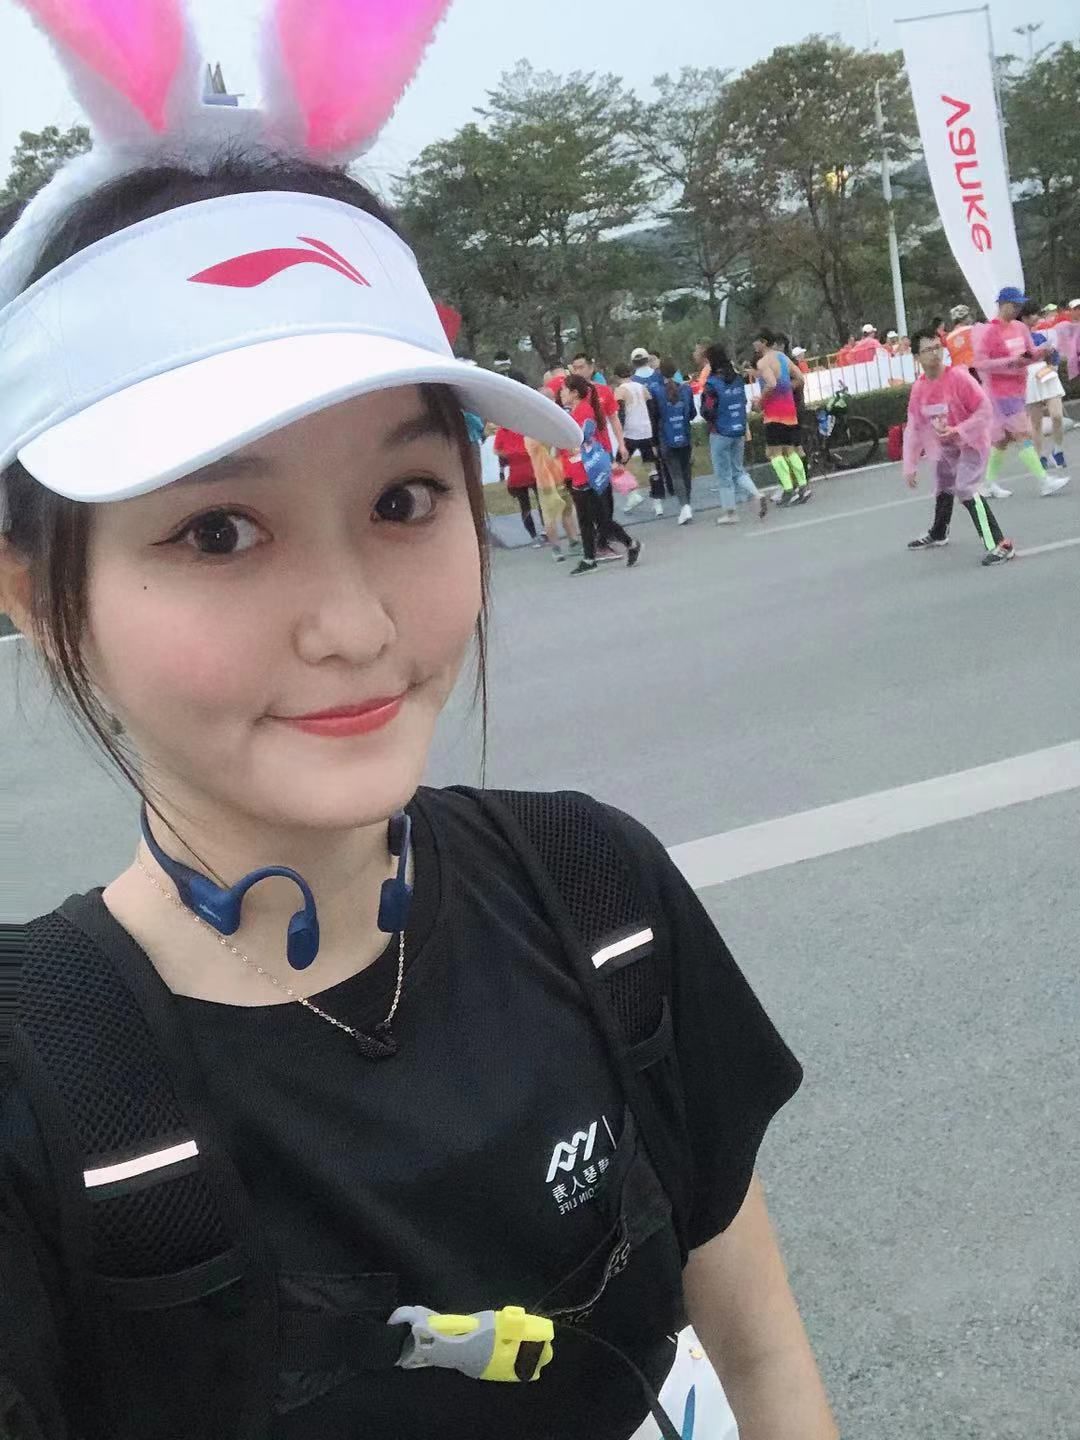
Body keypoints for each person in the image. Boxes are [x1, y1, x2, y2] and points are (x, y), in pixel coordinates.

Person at [0, 12, 842, 1440]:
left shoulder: (599, 900)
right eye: (219, 529)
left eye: (403, 499)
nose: (351, 624)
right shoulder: (36, 1096)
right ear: (36, 593)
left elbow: (761, 1361)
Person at [902, 329, 1013, 566]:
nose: (934, 354)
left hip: (972, 441)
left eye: (937, 347)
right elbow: (914, 428)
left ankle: (1000, 543)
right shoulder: (919, 389)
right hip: (945, 446)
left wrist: (959, 430)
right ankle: (939, 532)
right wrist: (909, 465)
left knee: (965, 487)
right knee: (943, 483)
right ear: (917, 357)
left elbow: (985, 410)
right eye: (928, 350)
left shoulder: (959, 378)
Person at [974, 286, 1068, 499]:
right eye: (1014, 305)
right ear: (1002, 305)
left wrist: (1042, 352)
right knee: (1022, 433)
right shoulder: (989, 332)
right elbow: (981, 363)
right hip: (999, 393)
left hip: (1018, 389)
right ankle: (1043, 480)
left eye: (1019, 305)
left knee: (1003, 439)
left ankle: (989, 483)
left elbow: (1029, 353)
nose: (1017, 309)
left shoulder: (1019, 328)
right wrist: (1011, 362)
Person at [561, 376, 643, 574]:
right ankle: (592, 558)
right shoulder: (577, 411)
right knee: (590, 518)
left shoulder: (583, 411)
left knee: (598, 518)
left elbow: (582, 441)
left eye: (564, 389)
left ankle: (625, 546)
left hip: (587, 472)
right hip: (581, 470)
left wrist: (567, 443)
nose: (561, 393)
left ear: (574, 393)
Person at [507, 371, 582, 562]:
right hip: (547, 477)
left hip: (555, 475)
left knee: (564, 510)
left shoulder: (538, 424)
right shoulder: (538, 426)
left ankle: (571, 542)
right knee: (553, 514)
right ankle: (558, 546)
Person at [701, 344, 767, 525]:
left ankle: (730, 512)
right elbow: (742, 401)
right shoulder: (737, 378)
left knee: (724, 474)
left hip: (720, 432)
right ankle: (756, 494)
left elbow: (707, 410)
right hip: (738, 429)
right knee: (738, 470)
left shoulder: (712, 383)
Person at [753, 329, 810, 506]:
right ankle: (802, 486)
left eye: (756, 341)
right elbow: (800, 378)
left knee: (775, 454)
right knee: (790, 450)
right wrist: (787, 390)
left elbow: (771, 383)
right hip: (789, 410)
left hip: (774, 413)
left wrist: (760, 401)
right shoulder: (783, 357)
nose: (754, 345)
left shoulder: (763, 362)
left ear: (763, 342)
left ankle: (788, 489)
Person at [1019, 304, 1070, 483]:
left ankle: (1058, 449)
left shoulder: (1040, 336)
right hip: (1029, 378)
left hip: (1046, 374)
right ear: (1024, 318)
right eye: (1032, 314)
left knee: (1057, 415)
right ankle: (1040, 455)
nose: (1036, 318)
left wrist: (1053, 365)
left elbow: (1053, 354)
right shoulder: (1017, 340)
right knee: (1036, 422)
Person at [631, 346, 675, 516]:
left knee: (652, 460)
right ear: (647, 359)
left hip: (645, 424)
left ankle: (659, 491)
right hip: (661, 420)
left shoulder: (633, 380)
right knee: (665, 454)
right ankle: (671, 486)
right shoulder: (657, 375)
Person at [656, 360, 697, 525]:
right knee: (686, 472)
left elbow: (655, 416)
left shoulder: (657, 391)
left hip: (666, 437)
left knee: (676, 474)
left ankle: (684, 506)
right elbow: (692, 413)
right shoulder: (686, 389)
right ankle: (688, 505)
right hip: (685, 434)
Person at [570, 353, 629, 463]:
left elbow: (614, 419)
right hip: (579, 451)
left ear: (591, 368)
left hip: (602, 447)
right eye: (575, 368)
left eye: (581, 367)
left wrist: (621, 444)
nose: (577, 372)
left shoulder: (603, 391)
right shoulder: (569, 394)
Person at [493, 421, 542, 544]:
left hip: (517, 472)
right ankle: (546, 530)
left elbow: (496, 450)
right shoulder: (523, 426)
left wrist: (510, 454)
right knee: (541, 500)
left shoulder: (502, 430)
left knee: (525, 505)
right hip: (531, 469)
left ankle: (534, 535)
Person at [611, 363, 650, 513]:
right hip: (646, 430)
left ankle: (633, 494)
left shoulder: (620, 390)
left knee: (618, 465)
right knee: (651, 465)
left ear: (616, 377)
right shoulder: (642, 387)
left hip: (630, 432)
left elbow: (620, 413)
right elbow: (651, 406)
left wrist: (619, 431)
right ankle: (657, 502)